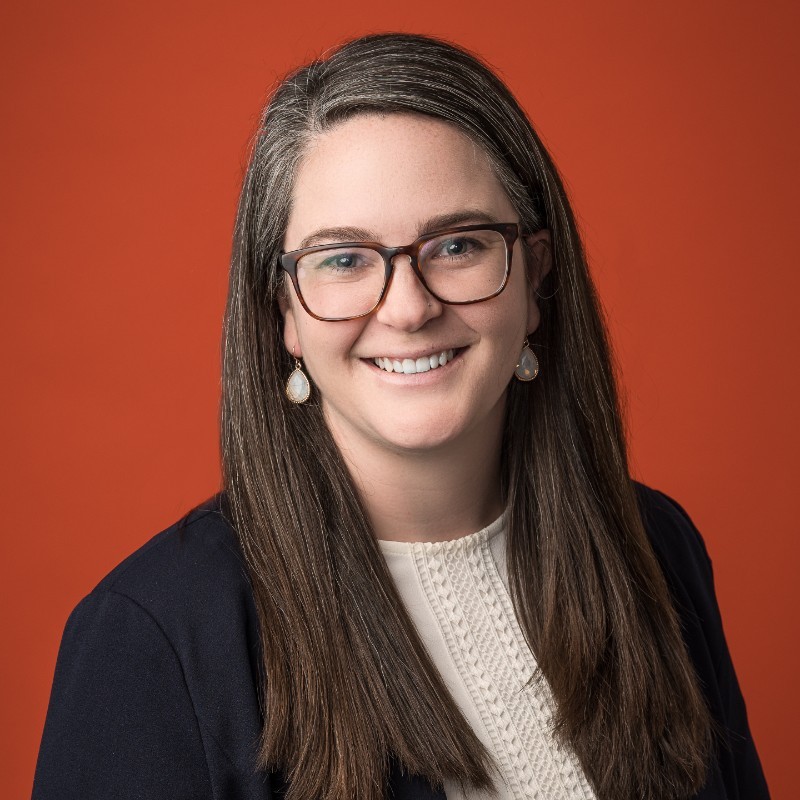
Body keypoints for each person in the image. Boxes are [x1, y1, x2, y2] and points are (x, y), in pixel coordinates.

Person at [33, 32, 769, 800]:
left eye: (457, 245)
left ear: (537, 278)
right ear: (283, 311)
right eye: (344, 259)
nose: (410, 307)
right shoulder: (153, 638)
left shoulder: (656, 550)